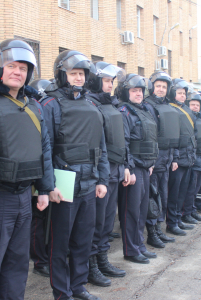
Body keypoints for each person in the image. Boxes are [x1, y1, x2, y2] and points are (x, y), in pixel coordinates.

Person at [0, 39, 56, 300]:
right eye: (12, 66)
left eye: (24, 68)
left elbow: (44, 148)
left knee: (18, 264)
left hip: (24, 198)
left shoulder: (33, 104)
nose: (18, 72)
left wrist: (44, 188)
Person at [41, 50, 109, 300]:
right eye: (73, 73)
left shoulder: (92, 104)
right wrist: (48, 186)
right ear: (62, 75)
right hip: (64, 182)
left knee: (83, 239)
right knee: (60, 242)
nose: (78, 78)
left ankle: (78, 286)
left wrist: (102, 179)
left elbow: (100, 146)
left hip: (90, 182)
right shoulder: (50, 104)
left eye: (82, 74)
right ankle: (61, 291)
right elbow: (44, 149)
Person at [85, 61, 127, 287]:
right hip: (101, 171)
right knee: (96, 221)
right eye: (106, 81)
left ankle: (102, 259)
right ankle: (91, 265)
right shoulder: (90, 104)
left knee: (107, 222)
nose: (110, 85)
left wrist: (125, 165)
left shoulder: (110, 104)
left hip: (115, 169)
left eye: (112, 81)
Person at [117, 74, 158, 264]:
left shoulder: (144, 110)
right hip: (133, 168)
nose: (138, 94)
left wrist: (151, 163)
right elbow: (124, 142)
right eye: (134, 91)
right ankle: (131, 250)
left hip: (145, 167)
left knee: (142, 210)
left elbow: (151, 138)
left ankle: (139, 245)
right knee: (131, 211)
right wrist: (128, 168)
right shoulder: (125, 111)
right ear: (127, 92)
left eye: (140, 91)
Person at [26, 78, 59, 279]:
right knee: (38, 221)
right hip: (32, 174)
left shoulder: (38, 107)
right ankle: (39, 260)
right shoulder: (36, 107)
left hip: (45, 171)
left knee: (46, 219)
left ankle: (44, 256)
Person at [143, 71, 179, 247]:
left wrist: (173, 158)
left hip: (166, 159)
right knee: (153, 198)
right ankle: (151, 232)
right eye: (158, 86)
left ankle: (159, 229)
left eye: (164, 87)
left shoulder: (169, 106)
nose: (161, 89)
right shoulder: (147, 106)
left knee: (163, 197)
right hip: (155, 160)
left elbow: (172, 135)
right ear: (152, 87)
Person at [165, 79, 197, 235]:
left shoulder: (186, 109)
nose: (183, 96)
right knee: (174, 192)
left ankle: (178, 219)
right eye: (179, 93)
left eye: (184, 94)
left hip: (188, 156)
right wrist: (175, 158)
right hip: (178, 157)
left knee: (182, 191)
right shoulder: (171, 109)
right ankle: (172, 222)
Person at [183, 92, 201, 220]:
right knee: (190, 188)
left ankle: (192, 209)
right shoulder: (187, 119)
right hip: (194, 157)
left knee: (196, 188)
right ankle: (186, 213)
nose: (195, 107)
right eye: (192, 104)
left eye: (197, 105)